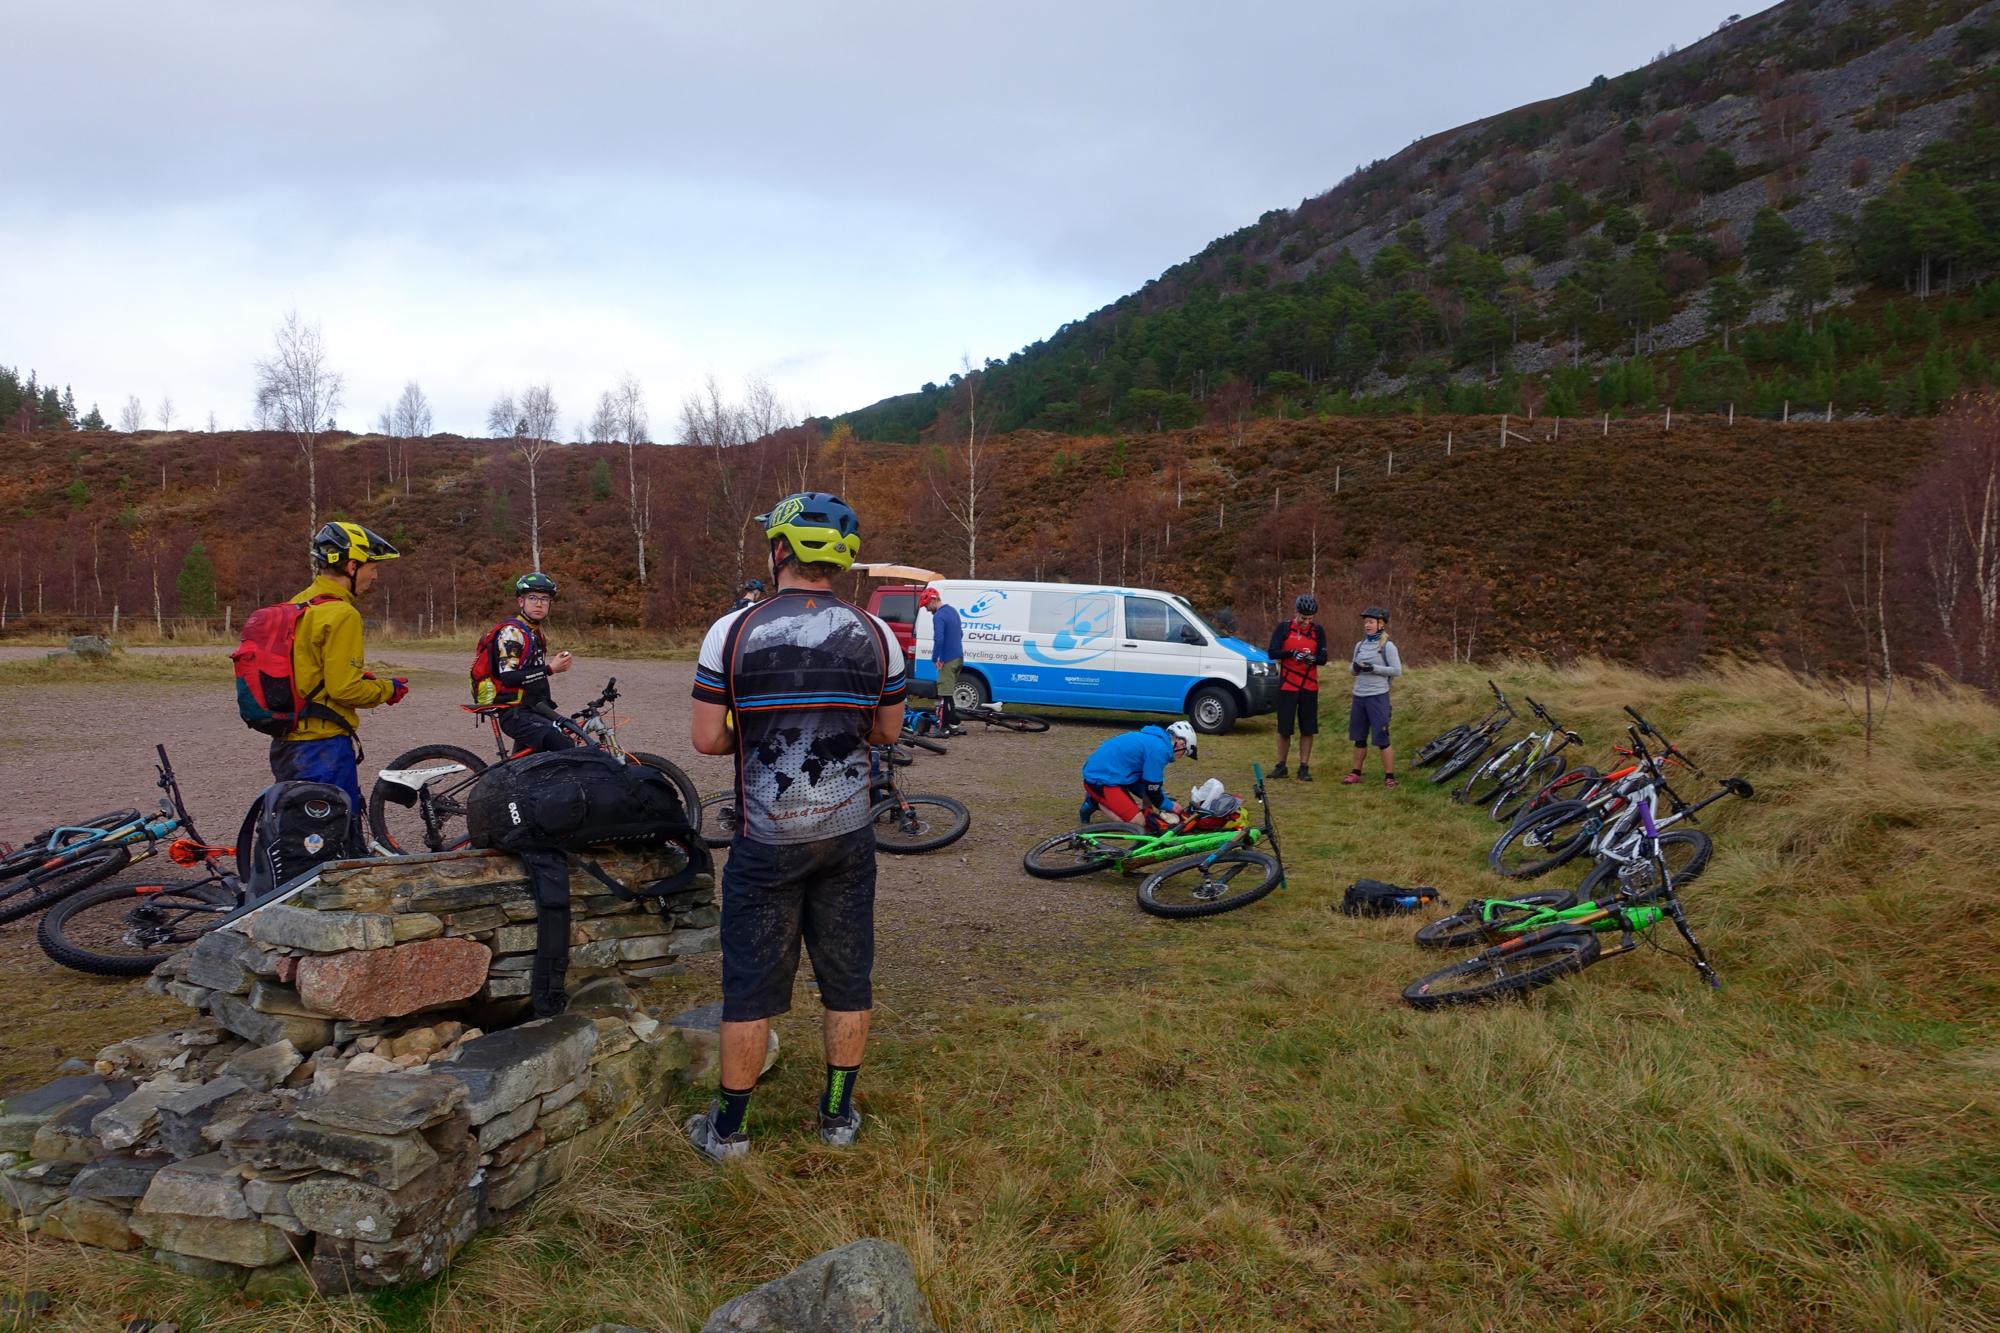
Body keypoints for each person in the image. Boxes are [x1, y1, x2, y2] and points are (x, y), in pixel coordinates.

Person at [686, 491, 906, 1163]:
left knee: (750, 985)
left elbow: (705, 740)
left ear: (780, 550)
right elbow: (886, 731)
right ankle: (838, 1117)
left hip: (767, 836)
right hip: (846, 834)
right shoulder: (879, 635)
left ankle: (729, 1130)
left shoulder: (733, 630)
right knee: (848, 977)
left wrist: (756, 732)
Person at [272, 521, 409, 828]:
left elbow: (308, 671)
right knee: (335, 833)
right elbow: (344, 690)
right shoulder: (342, 613)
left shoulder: (297, 604)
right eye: (371, 567)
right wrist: (387, 690)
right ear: (351, 566)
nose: (374, 576)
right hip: (322, 746)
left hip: (286, 743)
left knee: (298, 832)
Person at [471, 572, 575, 754]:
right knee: (562, 744)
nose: (539, 603)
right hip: (515, 712)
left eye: (545, 599)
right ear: (521, 602)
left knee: (529, 763)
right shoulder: (512, 632)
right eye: (532, 597)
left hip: (533, 708)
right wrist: (550, 669)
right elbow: (509, 677)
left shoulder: (535, 633)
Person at [1076, 720, 1199, 828]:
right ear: (1181, 744)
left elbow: (1149, 785)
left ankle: (1100, 799)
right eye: (1184, 752)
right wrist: (1170, 806)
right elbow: (1152, 789)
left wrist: (1163, 802)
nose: (1180, 756)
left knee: (1149, 801)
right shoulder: (1161, 750)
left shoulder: (1156, 740)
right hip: (1100, 779)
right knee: (1138, 824)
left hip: (1113, 773)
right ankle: (1094, 801)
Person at [1266, 593, 1329, 781]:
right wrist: (1291, 653)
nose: (1305, 622)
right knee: (1284, 728)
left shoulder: (1318, 631)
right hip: (1288, 685)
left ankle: (1304, 767)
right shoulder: (1284, 628)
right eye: (1303, 618)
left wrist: (1313, 659)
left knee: (1308, 729)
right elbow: (1272, 652)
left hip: (1309, 687)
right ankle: (1281, 765)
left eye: (1309, 619)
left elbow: (1323, 658)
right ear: (1296, 613)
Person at [1344, 604, 1403, 787]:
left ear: (1381, 624)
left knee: (1382, 738)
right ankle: (1356, 773)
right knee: (1359, 737)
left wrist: (1374, 668)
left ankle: (1389, 776)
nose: (1367, 625)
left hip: (1378, 696)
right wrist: (1355, 668)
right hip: (1359, 695)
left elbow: (1397, 670)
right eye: (1365, 622)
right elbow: (1352, 669)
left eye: (1371, 622)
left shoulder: (1388, 646)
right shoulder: (1360, 645)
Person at [920, 586, 965, 734]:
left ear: (933, 600)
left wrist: (936, 658)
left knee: (944, 695)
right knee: (949, 692)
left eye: (927, 605)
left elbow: (938, 639)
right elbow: (961, 634)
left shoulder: (938, 616)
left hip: (948, 659)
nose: (927, 609)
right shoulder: (953, 611)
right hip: (959, 657)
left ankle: (944, 728)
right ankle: (952, 723)